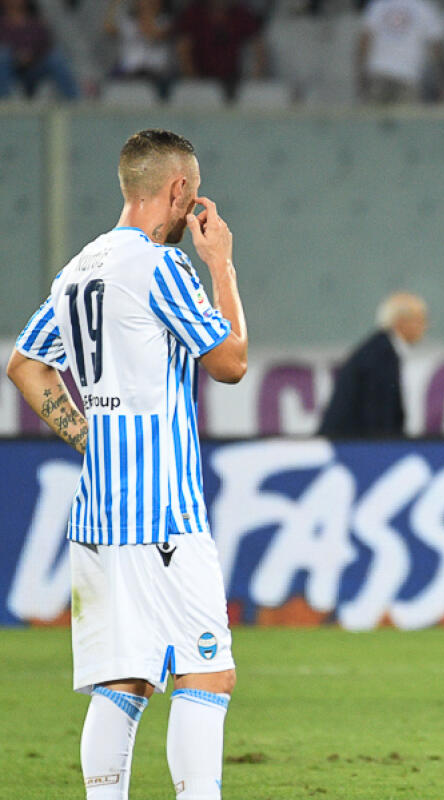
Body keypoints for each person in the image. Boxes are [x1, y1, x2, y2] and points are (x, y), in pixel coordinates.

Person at [6, 129, 248, 799]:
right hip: (162, 513)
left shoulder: (79, 269)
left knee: (125, 679)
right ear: (178, 190)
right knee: (207, 675)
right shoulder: (160, 267)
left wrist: (86, 435)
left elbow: (25, 364)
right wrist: (221, 265)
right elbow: (229, 363)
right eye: (192, 195)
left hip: (97, 514)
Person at [318, 292, 427, 438]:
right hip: (347, 449)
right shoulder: (380, 357)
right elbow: (378, 420)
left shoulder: (381, 349)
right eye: (419, 320)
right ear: (400, 322)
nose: (424, 327)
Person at [173, 0, 266, 100]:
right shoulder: (193, 13)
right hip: (201, 79)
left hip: (233, 80)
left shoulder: (240, 13)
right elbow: (183, 48)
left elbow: (259, 47)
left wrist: (254, 80)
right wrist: (193, 79)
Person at [357, 0, 444, 103]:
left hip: (380, 71)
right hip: (407, 74)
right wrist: (442, 79)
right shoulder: (424, 8)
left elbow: (365, 40)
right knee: (405, 117)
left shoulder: (378, 6)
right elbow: (436, 46)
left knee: (372, 116)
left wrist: (360, 71)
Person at [0, 0, 79, 100]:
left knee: (56, 57)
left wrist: (30, 55)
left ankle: (75, 101)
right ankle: (4, 102)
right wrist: (16, 56)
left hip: (33, 69)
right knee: (2, 56)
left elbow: (45, 45)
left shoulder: (36, 23)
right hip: (8, 70)